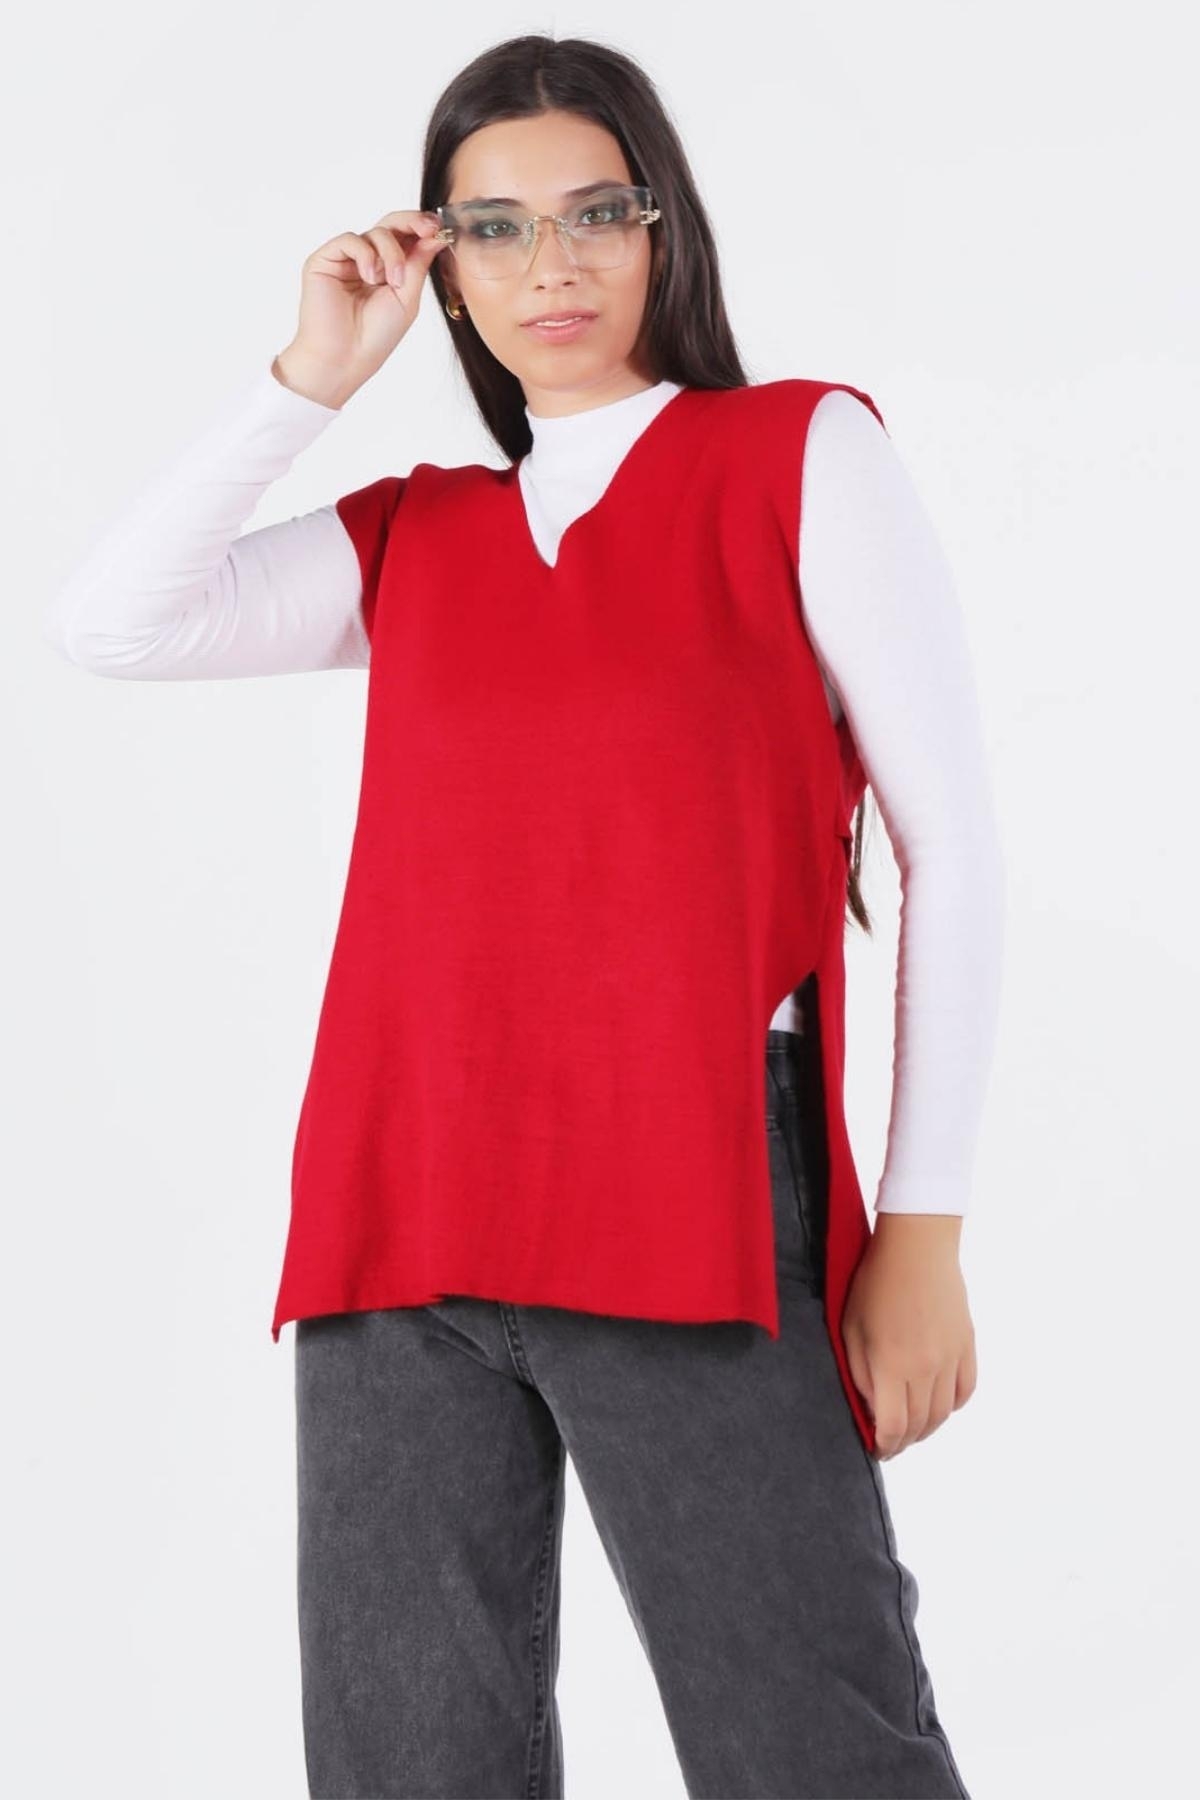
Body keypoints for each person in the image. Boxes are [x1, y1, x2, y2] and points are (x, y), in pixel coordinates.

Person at [45, 31, 1003, 1800]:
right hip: (400, 1204)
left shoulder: (796, 453)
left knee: (817, 1753)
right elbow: (116, 623)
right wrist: (309, 379)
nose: (550, 263)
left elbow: (952, 839)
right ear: (445, 266)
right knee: (410, 1771)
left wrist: (925, 1225)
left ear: (662, 227)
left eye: (592, 213)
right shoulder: (418, 533)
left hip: (690, 1191)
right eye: (492, 227)